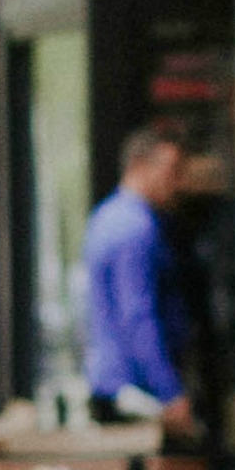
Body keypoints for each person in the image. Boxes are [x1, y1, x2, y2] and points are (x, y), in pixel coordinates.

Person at [80, 121, 194, 434]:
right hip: (137, 395)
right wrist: (170, 392)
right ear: (140, 166)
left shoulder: (107, 217)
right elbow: (137, 315)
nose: (178, 181)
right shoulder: (135, 228)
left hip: (115, 385)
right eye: (171, 169)